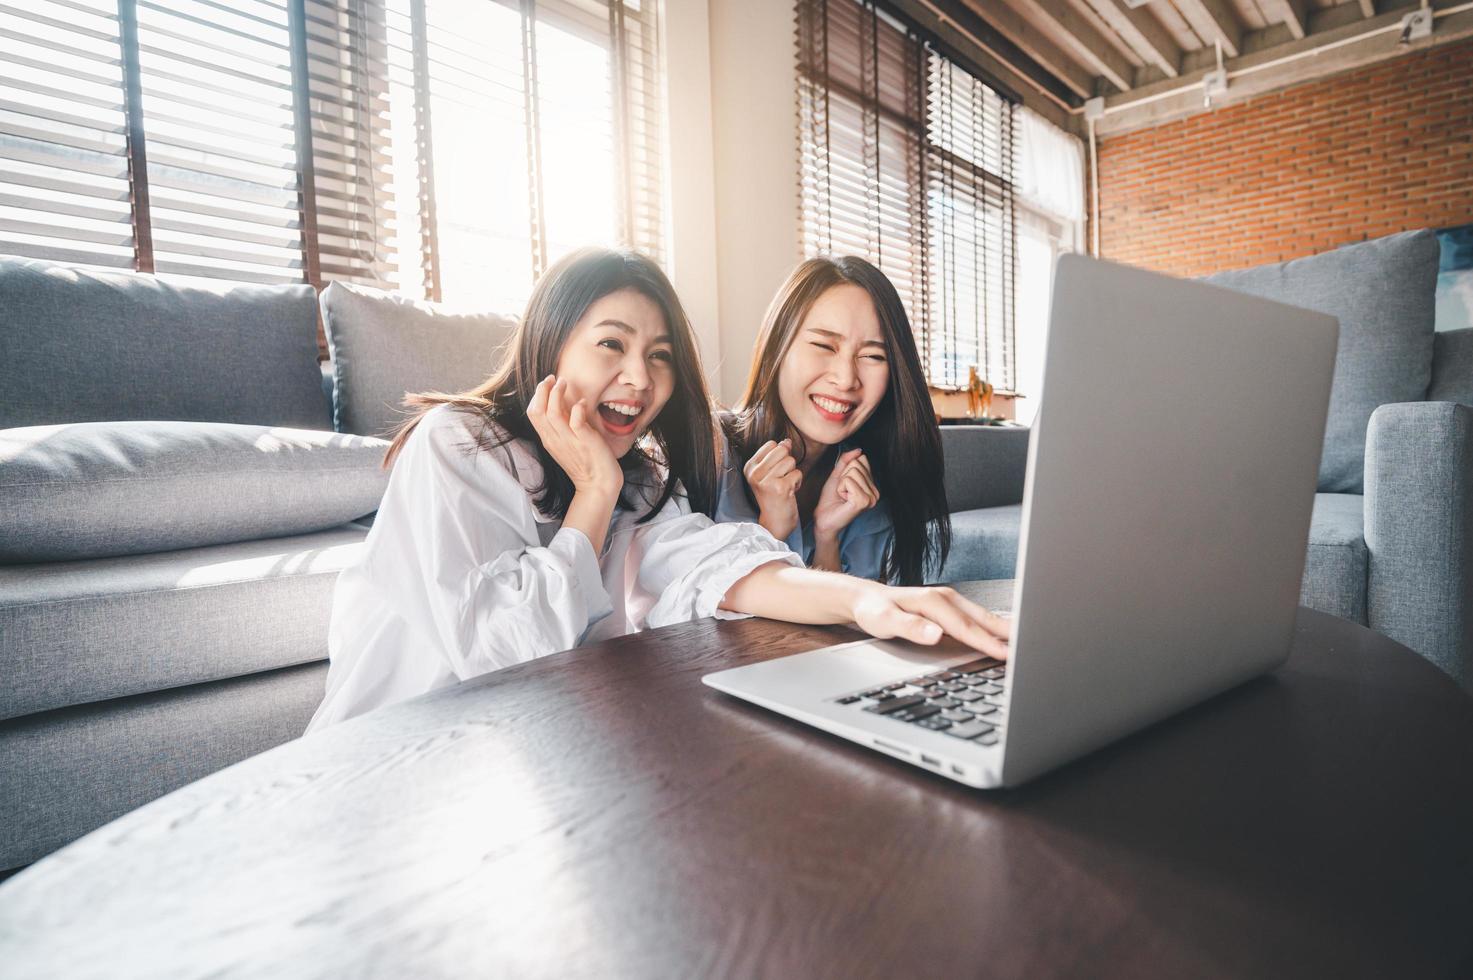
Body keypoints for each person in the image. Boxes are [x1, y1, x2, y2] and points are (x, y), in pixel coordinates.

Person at [306, 248, 1006, 732]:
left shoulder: (642, 481)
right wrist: (592, 492)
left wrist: (867, 597)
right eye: (610, 344)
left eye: (660, 356)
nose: (639, 379)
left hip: (541, 747)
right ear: (552, 343)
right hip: (405, 753)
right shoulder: (455, 444)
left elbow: (713, 565)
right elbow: (506, 659)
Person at [717, 256, 950, 585]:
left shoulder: (866, 486)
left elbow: (846, 630)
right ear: (776, 347)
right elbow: (700, 624)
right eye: (824, 345)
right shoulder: (706, 452)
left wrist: (828, 537)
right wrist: (772, 531)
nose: (845, 379)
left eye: (872, 356)